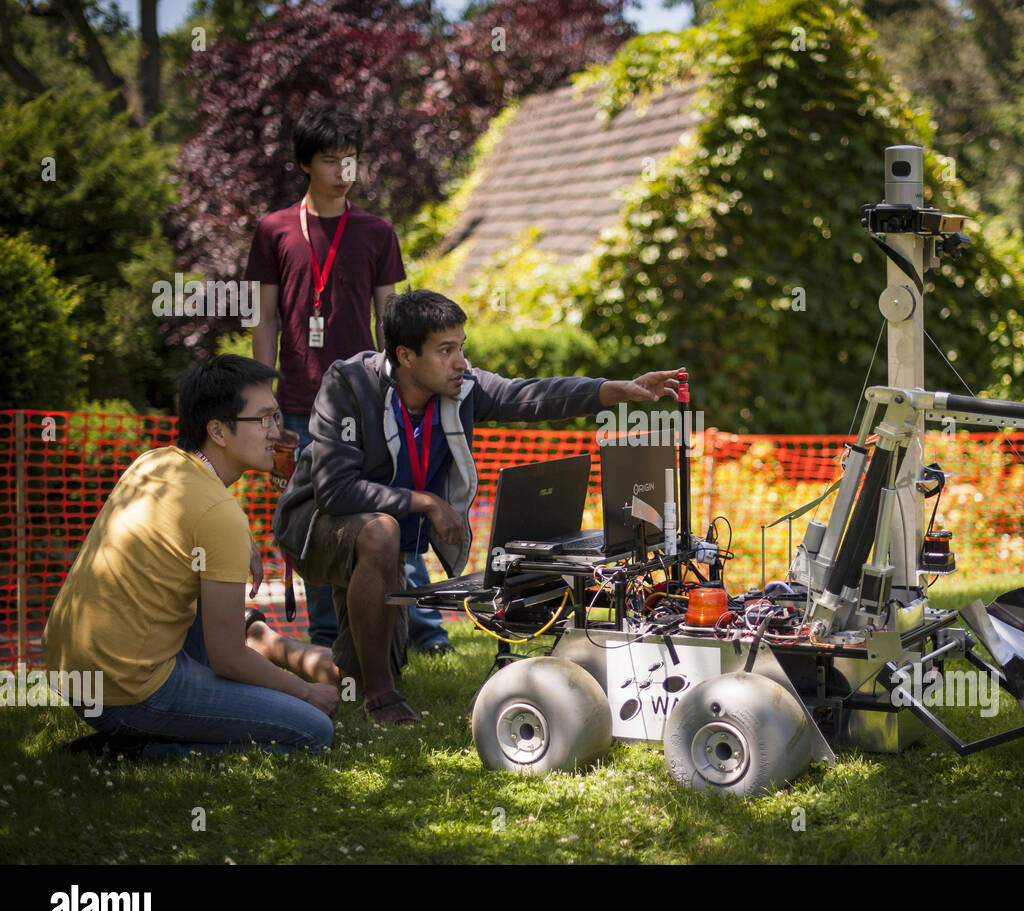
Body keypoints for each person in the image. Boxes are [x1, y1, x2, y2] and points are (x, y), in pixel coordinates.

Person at [273, 289, 682, 724]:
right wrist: (426, 502)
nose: (461, 362)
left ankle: (267, 645)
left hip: (376, 539)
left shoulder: (463, 389)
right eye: (446, 350)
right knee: (381, 534)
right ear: (405, 356)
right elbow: (335, 490)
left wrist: (610, 391)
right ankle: (382, 697)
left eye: (461, 347)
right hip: (314, 524)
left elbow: (528, 396)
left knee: (349, 672)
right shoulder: (348, 385)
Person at [44, 356, 340, 759]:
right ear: (217, 430)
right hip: (127, 692)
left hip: (71, 672)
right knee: (313, 731)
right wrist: (307, 692)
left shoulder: (155, 461)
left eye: (276, 416)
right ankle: (132, 748)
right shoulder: (219, 514)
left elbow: (186, 528)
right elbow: (229, 658)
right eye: (265, 419)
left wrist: (243, 543)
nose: (278, 432)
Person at [243, 104, 452, 655]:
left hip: (368, 402)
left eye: (351, 160)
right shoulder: (273, 230)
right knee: (316, 520)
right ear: (306, 164)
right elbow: (261, 318)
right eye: (332, 160)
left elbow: (396, 320)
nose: (344, 171)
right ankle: (327, 637)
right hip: (295, 402)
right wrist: (264, 401)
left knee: (393, 509)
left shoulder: (377, 232)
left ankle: (426, 635)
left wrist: (405, 391)